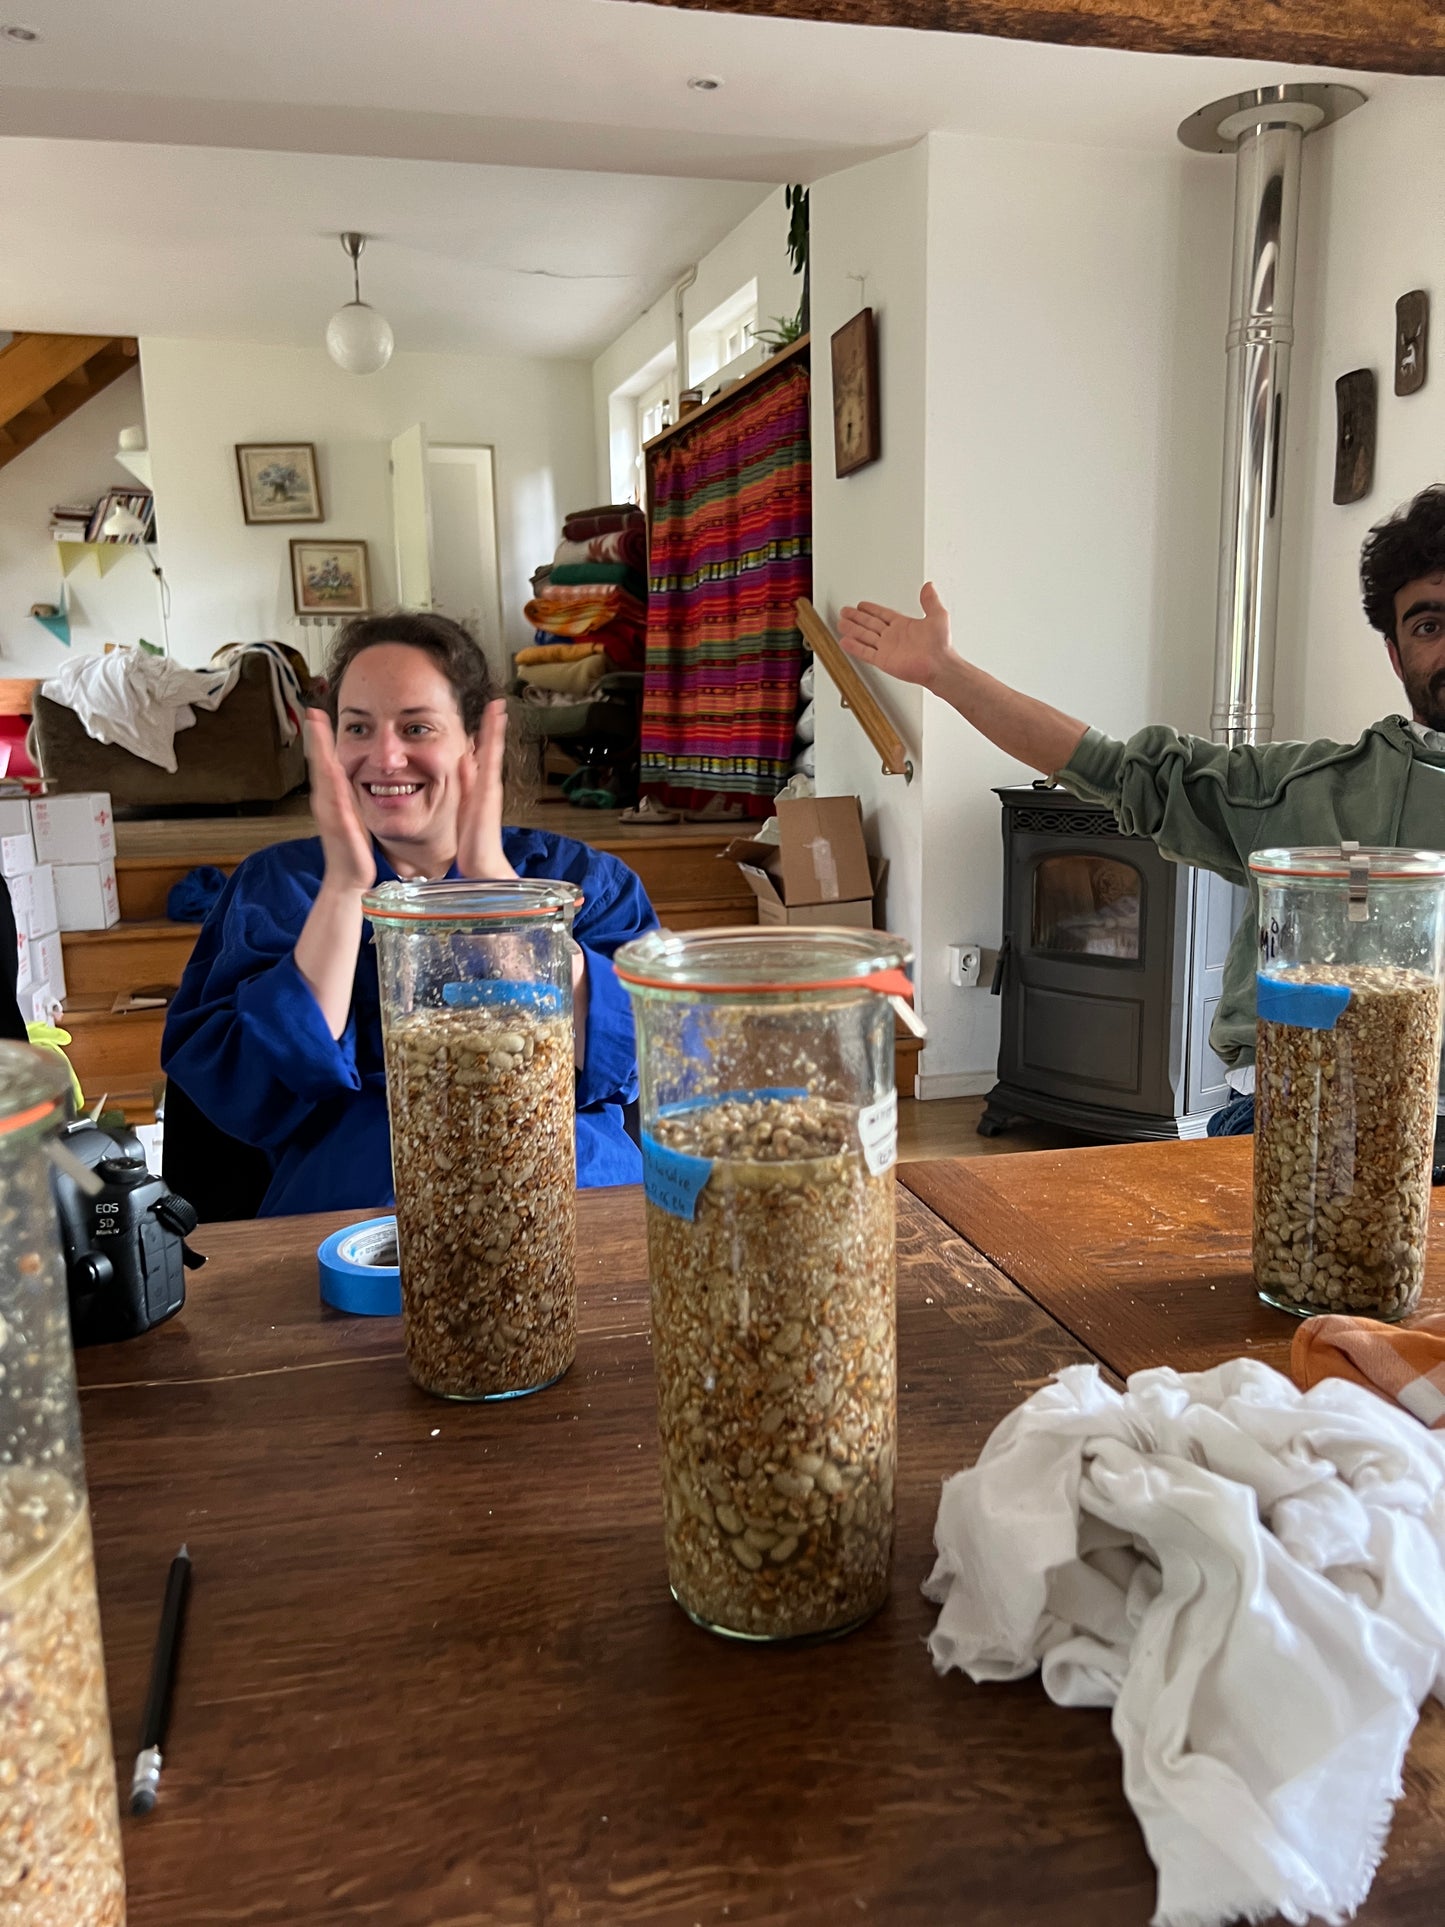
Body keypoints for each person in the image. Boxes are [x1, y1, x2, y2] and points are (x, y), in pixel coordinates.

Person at [838, 483, 1445, 1135]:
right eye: (1429, 624)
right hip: (1291, 1122)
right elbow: (1112, 767)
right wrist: (946, 673)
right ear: (1394, 653)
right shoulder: (1310, 790)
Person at [163, 612, 657, 1214]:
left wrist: (495, 894)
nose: (386, 757)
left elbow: (643, 1050)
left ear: (474, 740)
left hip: (573, 1202)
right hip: (356, 1222)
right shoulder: (277, 887)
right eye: (359, 728)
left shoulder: (587, 883)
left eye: (417, 727)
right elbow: (247, 1092)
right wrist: (346, 888)